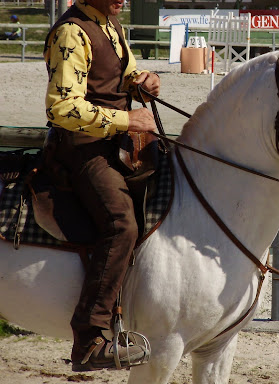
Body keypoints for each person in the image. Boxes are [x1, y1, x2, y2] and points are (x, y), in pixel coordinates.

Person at [43, 0, 160, 372]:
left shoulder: (109, 23)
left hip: (114, 141)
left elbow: (117, 79)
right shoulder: (71, 31)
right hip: (81, 150)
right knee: (121, 224)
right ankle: (90, 339)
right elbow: (62, 108)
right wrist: (128, 119)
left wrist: (144, 82)